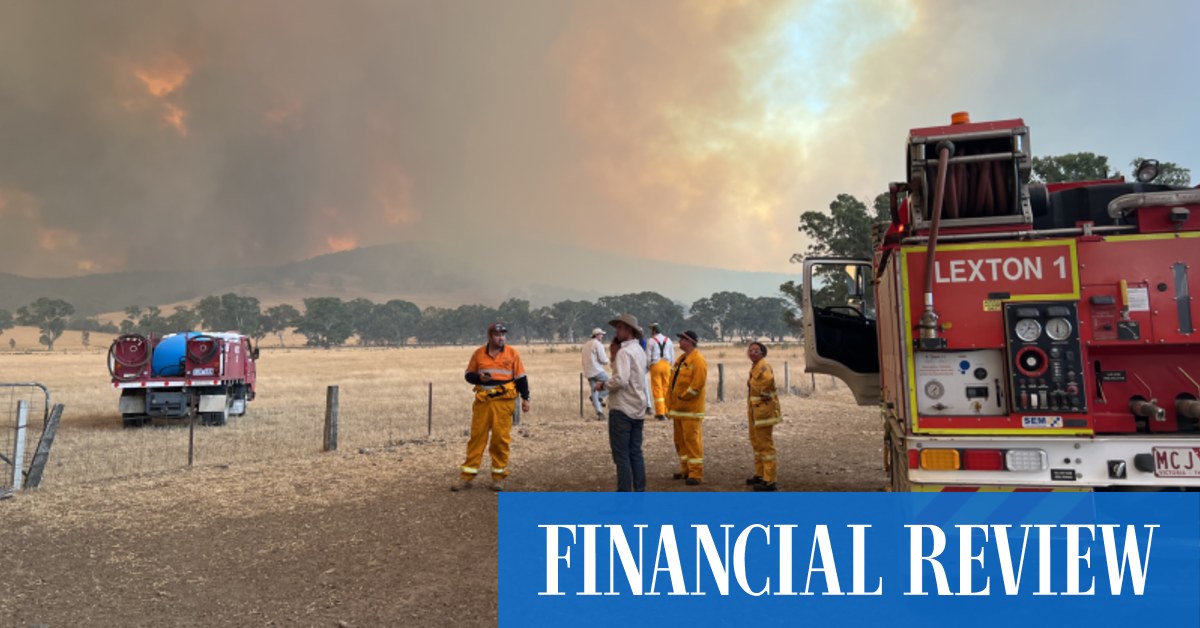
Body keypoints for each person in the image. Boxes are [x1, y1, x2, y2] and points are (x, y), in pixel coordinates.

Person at [452, 322, 530, 492]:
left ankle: (498, 478)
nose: (501, 337)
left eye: (503, 334)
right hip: (483, 402)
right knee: (476, 438)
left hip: (504, 403)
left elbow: (521, 377)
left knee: (500, 440)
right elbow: (468, 375)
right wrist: (479, 378)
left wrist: (526, 398)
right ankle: (466, 477)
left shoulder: (512, 353)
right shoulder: (479, 354)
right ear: (489, 336)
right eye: (497, 334)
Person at [594, 313, 649, 492]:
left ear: (629, 330)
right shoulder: (639, 350)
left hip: (622, 408)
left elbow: (621, 380)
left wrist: (603, 384)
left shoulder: (624, 353)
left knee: (622, 456)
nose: (616, 331)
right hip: (638, 407)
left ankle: (624, 498)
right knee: (635, 453)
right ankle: (639, 494)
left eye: (620, 327)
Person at [667, 330, 707, 486]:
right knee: (680, 441)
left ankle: (696, 474)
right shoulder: (681, 359)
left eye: (682, 339)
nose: (679, 342)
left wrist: (683, 397)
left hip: (691, 410)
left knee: (692, 442)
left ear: (690, 341)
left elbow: (697, 385)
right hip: (678, 410)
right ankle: (685, 470)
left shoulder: (698, 361)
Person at [745, 341, 782, 492]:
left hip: (764, 413)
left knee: (766, 446)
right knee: (757, 443)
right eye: (751, 350)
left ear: (762, 353)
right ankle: (760, 474)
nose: (752, 353)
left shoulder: (764, 367)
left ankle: (770, 480)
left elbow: (767, 384)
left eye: (756, 351)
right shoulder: (755, 367)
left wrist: (762, 395)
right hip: (755, 412)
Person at [645, 323, 675, 420]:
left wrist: (648, 365)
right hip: (666, 365)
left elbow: (648, 355)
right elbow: (672, 355)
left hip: (656, 365)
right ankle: (667, 411)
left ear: (654, 331)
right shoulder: (668, 340)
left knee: (657, 389)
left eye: (651, 330)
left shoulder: (651, 341)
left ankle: (660, 413)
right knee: (666, 388)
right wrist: (670, 365)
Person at [581, 328, 610, 419]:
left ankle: (599, 412)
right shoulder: (598, 344)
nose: (602, 336)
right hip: (597, 370)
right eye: (601, 334)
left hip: (588, 371)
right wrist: (607, 361)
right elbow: (603, 359)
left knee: (594, 390)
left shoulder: (586, 345)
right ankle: (599, 397)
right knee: (611, 384)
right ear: (597, 335)